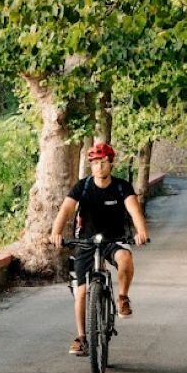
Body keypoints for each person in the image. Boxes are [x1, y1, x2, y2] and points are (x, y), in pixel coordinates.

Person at [49, 141, 150, 356]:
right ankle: (82, 338)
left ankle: (122, 298)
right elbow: (66, 209)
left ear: (110, 163)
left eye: (103, 162)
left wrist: (141, 231)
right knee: (82, 291)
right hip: (86, 241)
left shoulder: (121, 186)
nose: (99, 166)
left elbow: (134, 209)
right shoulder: (83, 187)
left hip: (113, 238)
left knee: (125, 258)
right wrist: (56, 232)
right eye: (94, 163)